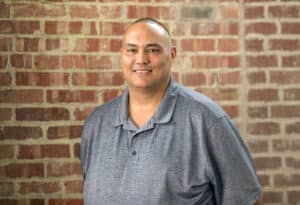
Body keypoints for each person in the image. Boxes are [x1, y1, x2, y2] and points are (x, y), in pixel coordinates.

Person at [80, 17, 263, 205]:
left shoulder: (207, 121)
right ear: (122, 55)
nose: (141, 59)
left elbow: (247, 200)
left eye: (152, 50)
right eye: (132, 50)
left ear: (172, 54)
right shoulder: (96, 124)